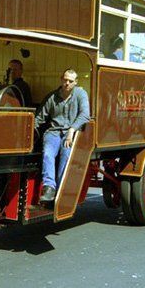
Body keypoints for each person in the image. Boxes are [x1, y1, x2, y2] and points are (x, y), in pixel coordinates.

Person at [34, 69, 90, 202]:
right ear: (61, 79)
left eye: (70, 81)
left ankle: (60, 188)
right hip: (53, 132)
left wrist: (72, 130)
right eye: (65, 80)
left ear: (75, 82)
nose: (67, 83)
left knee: (66, 155)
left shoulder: (80, 94)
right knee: (48, 153)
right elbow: (40, 118)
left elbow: (85, 115)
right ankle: (49, 188)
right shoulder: (51, 97)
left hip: (69, 133)